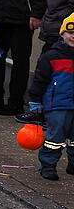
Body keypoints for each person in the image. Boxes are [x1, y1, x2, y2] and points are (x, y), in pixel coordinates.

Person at [24, 13, 74, 180]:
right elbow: (40, 80)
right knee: (55, 137)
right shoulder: (52, 56)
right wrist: (35, 101)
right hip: (57, 105)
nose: (73, 37)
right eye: (70, 33)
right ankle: (48, 165)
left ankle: (73, 163)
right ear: (62, 33)